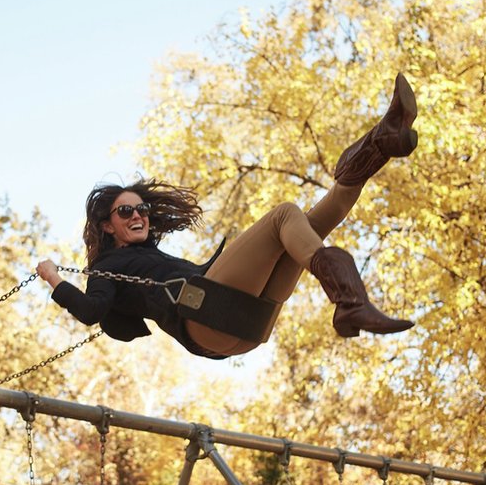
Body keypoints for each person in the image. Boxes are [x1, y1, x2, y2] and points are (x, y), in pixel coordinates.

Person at [37, 74, 418, 359]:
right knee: (284, 215)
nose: (138, 215)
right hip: (206, 317)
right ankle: (350, 303)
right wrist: (54, 277)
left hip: (248, 327)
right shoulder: (107, 266)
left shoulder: (153, 257)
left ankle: (380, 145)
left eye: (142, 209)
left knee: (308, 226)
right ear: (107, 225)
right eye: (125, 211)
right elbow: (90, 311)